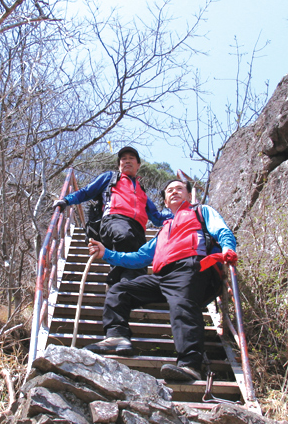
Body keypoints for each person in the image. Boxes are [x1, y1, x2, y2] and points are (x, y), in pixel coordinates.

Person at [83, 179, 238, 382]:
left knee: (182, 306)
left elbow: (222, 230)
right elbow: (140, 256)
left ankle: (190, 365)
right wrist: (107, 253)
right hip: (163, 276)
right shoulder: (164, 230)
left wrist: (228, 247)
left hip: (192, 266)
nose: (174, 192)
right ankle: (117, 336)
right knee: (120, 290)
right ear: (165, 202)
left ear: (189, 195)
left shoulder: (201, 212)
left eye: (179, 189)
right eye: (169, 191)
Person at [52, 146, 172, 285]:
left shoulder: (142, 192)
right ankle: (115, 281)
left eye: (131, 158)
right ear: (119, 164)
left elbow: (157, 218)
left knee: (138, 267)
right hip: (114, 221)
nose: (127, 161)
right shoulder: (110, 178)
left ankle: (121, 294)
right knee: (124, 237)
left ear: (138, 165)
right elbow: (86, 192)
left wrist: (184, 214)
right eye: (123, 159)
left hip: (138, 230)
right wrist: (66, 201)